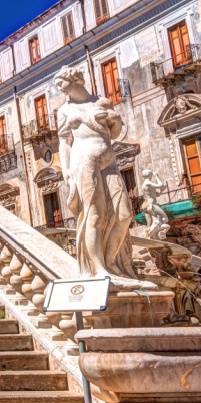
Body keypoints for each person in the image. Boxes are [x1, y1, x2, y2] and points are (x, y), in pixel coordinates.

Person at [55, 66, 149, 287]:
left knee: (124, 214)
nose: (60, 89)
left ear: (75, 80)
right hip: (84, 159)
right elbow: (64, 143)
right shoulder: (64, 111)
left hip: (109, 159)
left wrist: (115, 121)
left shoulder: (101, 102)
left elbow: (115, 133)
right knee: (93, 214)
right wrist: (67, 173)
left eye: (62, 84)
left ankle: (111, 262)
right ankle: (97, 268)